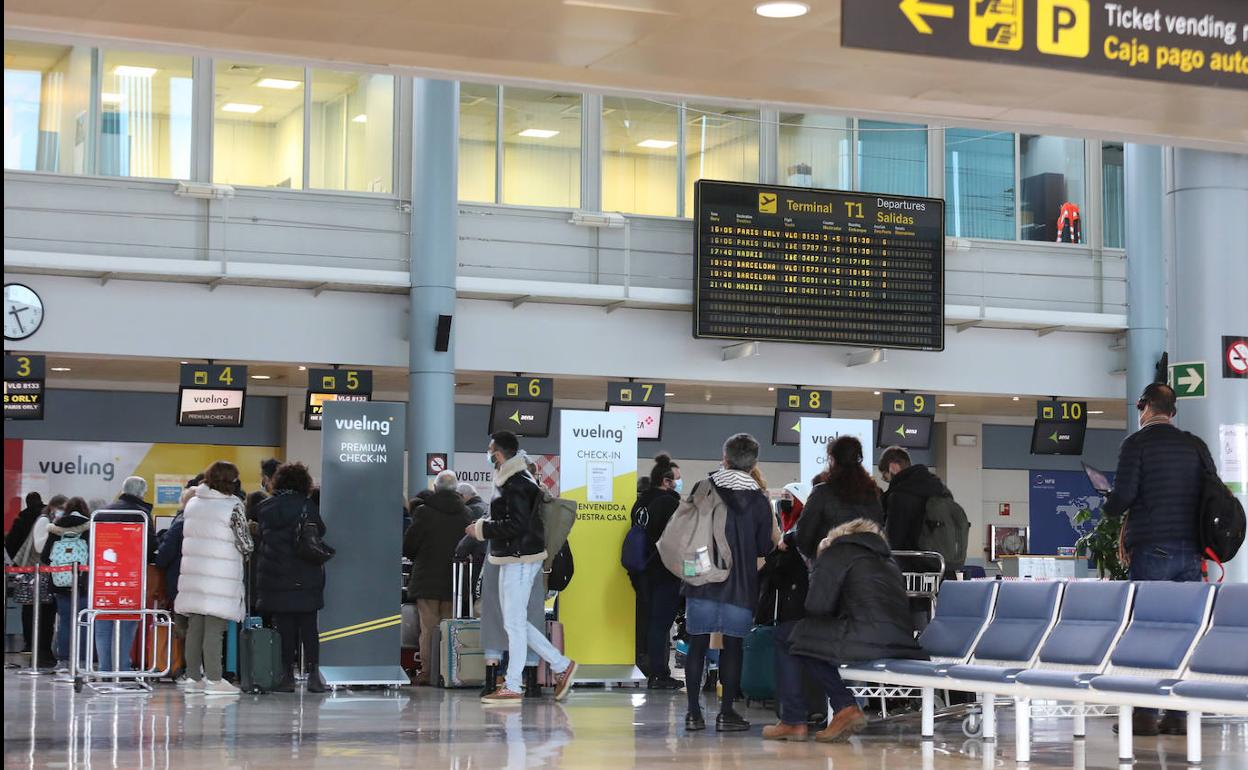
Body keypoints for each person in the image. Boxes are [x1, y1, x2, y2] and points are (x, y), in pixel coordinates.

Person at [1103, 382, 1213, 737]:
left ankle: (1145, 716)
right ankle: (1181, 715)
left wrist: (1107, 500)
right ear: (1173, 411)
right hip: (1192, 554)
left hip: (1153, 550)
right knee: (1184, 632)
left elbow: (1122, 498)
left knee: (1147, 631)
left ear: (1144, 406)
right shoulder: (1195, 445)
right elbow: (1213, 493)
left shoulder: (1136, 444)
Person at [765, 517, 926, 742]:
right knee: (805, 637)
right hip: (901, 641)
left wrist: (820, 562)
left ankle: (814, 714)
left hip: (865, 637)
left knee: (790, 636)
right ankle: (835, 709)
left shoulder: (836, 553)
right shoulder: (887, 560)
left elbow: (816, 606)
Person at [466, 431, 577, 704]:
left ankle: (514, 685)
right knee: (515, 622)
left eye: (490, 448)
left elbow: (517, 524)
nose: (488, 453)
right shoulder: (515, 479)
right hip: (515, 557)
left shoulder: (516, 483)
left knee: (514, 624)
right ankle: (561, 665)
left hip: (520, 558)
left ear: (499, 452)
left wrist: (481, 529)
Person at [680, 433, 775, 733]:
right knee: (733, 647)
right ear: (754, 463)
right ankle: (726, 713)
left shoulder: (702, 488)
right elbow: (763, 546)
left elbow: (686, 530)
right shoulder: (760, 500)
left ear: (725, 457)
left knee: (696, 644)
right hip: (740, 581)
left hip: (701, 575)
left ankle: (693, 713)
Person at [255, 462, 328, 693]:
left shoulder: (266, 508)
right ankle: (314, 674)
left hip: (276, 576)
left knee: (284, 627)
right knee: (308, 627)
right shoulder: (308, 506)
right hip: (306, 574)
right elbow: (320, 531)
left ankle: (287, 676)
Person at [176, 461, 247, 696]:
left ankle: (194, 677)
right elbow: (245, 543)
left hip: (194, 573)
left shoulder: (193, 503)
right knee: (215, 629)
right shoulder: (233, 506)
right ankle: (215, 680)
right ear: (230, 481)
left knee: (195, 627)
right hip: (220, 576)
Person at [404, 470, 472, 685]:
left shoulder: (424, 512)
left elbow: (409, 546)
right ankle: (448, 671)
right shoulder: (467, 514)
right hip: (455, 581)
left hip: (427, 580)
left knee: (429, 629)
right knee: (449, 628)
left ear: (435, 487)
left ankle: (427, 673)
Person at [629, 453, 684, 690]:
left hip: (641, 570)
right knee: (660, 623)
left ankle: (647, 667)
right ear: (666, 481)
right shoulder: (669, 503)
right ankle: (659, 674)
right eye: (677, 479)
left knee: (647, 620)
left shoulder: (640, 502)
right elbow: (678, 538)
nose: (678, 483)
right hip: (664, 570)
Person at [93, 476, 155, 673]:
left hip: (104, 577)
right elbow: (150, 547)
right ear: (141, 492)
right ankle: (122, 669)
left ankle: (104, 669)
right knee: (127, 624)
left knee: (103, 624)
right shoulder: (141, 514)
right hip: (130, 578)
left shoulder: (104, 512)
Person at [796, 437, 885, 561]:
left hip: (829, 565)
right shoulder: (873, 493)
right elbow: (878, 529)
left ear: (832, 459)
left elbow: (803, 537)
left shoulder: (822, 492)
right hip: (866, 566)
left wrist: (816, 557)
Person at [41, 497, 92, 672]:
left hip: (60, 582)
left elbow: (45, 556)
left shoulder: (56, 527)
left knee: (65, 621)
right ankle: (84, 661)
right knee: (84, 619)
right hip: (84, 582)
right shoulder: (90, 527)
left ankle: (64, 661)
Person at [877, 446, 951, 552]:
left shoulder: (899, 495)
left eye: (885, 477)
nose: (887, 482)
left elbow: (893, 543)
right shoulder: (940, 489)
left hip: (912, 562)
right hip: (941, 560)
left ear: (892, 467)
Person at [154, 485, 192, 681]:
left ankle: (182, 667)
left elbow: (163, 558)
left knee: (182, 629)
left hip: (179, 584)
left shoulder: (180, 525)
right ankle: (196, 669)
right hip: (202, 585)